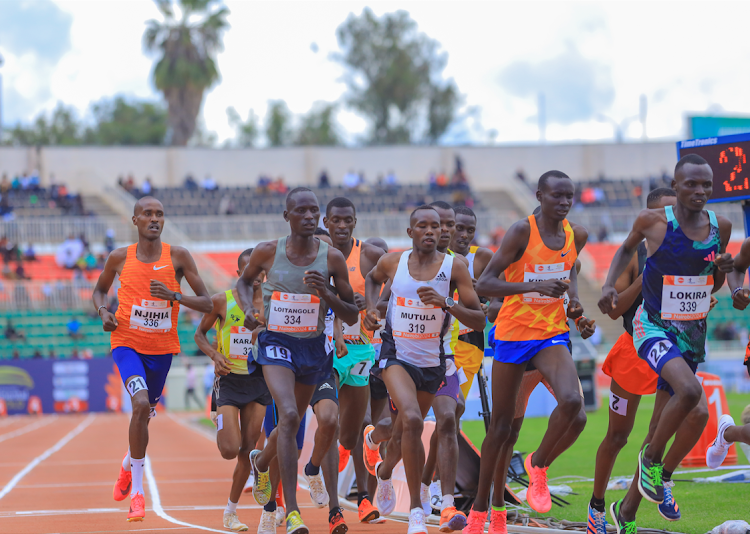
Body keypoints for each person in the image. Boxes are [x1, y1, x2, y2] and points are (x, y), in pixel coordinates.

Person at [598, 154, 733, 532]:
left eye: (706, 185)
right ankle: (654, 466)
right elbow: (626, 248)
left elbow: (715, 283)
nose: (700, 191)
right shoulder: (655, 222)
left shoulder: (720, 226)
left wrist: (723, 272)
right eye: (691, 184)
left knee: (679, 420)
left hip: (691, 333)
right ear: (676, 187)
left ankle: (626, 510)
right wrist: (609, 284)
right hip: (653, 327)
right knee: (689, 393)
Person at [467, 170, 589, 534]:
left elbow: (572, 269)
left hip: (551, 333)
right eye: (557, 196)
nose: (564, 202)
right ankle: (483, 512)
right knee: (501, 429)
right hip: (513, 335)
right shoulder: (523, 231)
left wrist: (574, 300)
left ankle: (538, 465)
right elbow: (487, 282)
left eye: (569, 196)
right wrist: (533, 285)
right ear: (539, 195)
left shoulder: (574, 234)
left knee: (572, 402)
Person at [238, 187, 358, 534]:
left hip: (313, 349)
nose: (308, 216)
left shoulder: (332, 258)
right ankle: (292, 512)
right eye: (300, 210)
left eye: (313, 211)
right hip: (276, 343)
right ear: (287, 216)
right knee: (289, 414)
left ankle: (261, 462)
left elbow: (350, 313)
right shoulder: (267, 251)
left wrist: (326, 293)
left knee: (290, 423)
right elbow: (244, 283)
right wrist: (249, 309)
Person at [362, 205, 484, 534]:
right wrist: (372, 310)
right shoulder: (394, 262)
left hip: (437, 360)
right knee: (413, 419)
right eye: (424, 226)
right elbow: (372, 280)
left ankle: (391, 476)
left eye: (437, 226)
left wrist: (448, 304)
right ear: (411, 232)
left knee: (428, 423)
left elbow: (479, 319)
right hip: (397, 356)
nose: (432, 231)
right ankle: (419, 511)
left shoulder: (455, 268)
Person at [92, 196, 212, 522]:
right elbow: (99, 292)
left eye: (159, 214)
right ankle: (138, 495)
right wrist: (104, 311)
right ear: (135, 221)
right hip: (126, 343)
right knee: (141, 404)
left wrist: (174, 295)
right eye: (147, 214)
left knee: (144, 417)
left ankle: (127, 463)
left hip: (162, 350)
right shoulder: (120, 258)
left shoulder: (179, 257)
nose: (154, 219)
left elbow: (207, 303)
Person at [587, 188, 687, 532]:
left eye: (677, 213)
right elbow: (613, 310)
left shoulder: (686, 250)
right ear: (648, 220)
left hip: (671, 350)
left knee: (657, 432)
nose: (672, 221)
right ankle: (597, 507)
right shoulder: (634, 255)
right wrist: (648, 278)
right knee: (618, 436)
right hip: (633, 351)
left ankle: (629, 509)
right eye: (665, 214)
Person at [194, 248, 272, 532]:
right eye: (247, 271)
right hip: (228, 381)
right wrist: (215, 355)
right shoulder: (222, 301)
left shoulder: (274, 304)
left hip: (259, 382)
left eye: (259, 271)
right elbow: (199, 334)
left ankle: (231, 512)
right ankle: (247, 450)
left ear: (264, 273)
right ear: (239, 274)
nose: (254, 277)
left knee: (247, 451)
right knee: (229, 450)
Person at [323, 197, 385, 523]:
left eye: (348, 220)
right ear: (327, 222)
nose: (343, 226)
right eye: (337, 220)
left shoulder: (370, 255)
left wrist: (371, 306)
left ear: (355, 221)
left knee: (357, 428)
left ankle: (363, 498)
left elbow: (394, 288)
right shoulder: (315, 254)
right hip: (325, 349)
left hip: (362, 349)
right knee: (328, 419)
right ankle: (334, 508)